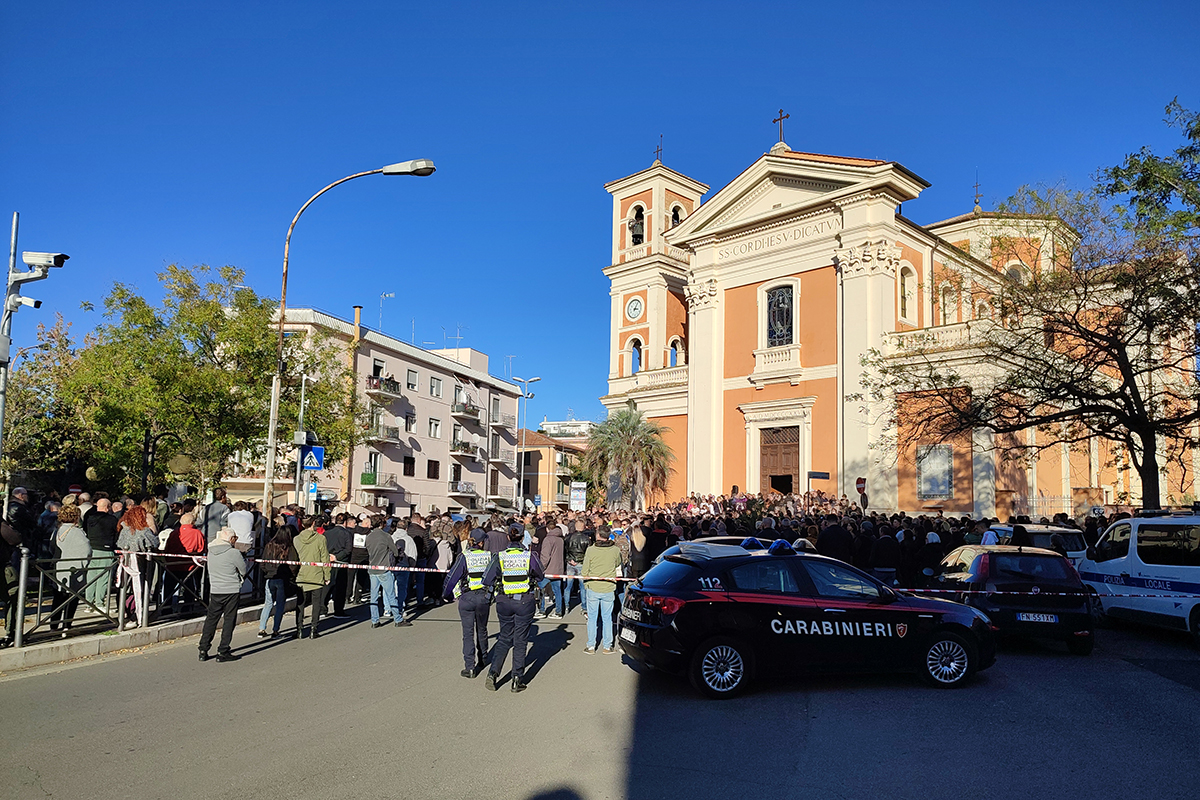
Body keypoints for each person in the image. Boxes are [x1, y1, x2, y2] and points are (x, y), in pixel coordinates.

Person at [482, 525, 544, 693]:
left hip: (504, 601)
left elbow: (486, 579)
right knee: (520, 640)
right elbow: (540, 575)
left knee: (504, 638)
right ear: (523, 538)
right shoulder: (529, 556)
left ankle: (493, 673)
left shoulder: (499, 557)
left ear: (508, 537)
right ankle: (517, 679)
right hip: (524, 600)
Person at [443, 527, 494, 677]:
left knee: (467, 633)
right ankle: (483, 658)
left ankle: (469, 666)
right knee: (482, 629)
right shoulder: (489, 556)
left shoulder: (464, 556)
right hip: (483, 597)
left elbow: (452, 577)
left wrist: (446, 595)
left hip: (467, 597)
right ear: (482, 542)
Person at [198, 528, 245, 662]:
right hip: (231, 589)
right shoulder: (233, 553)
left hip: (216, 589)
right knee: (229, 620)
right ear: (231, 539)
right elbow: (243, 569)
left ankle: (203, 648)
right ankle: (223, 650)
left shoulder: (211, 551)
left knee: (211, 619)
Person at [580, 525, 622, 654]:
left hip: (593, 587)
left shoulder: (591, 550)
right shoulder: (615, 550)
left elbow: (584, 570)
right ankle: (607, 646)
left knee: (592, 618)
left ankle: (591, 646)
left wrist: (586, 582)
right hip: (608, 587)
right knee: (607, 617)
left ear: (598, 535)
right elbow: (618, 563)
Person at [50, 504, 90, 635]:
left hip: (59, 568)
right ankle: (67, 625)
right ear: (76, 517)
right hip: (75, 569)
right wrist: (84, 564)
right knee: (72, 598)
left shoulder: (57, 531)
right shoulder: (78, 532)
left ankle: (53, 625)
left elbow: (51, 547)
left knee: (58, 597)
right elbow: (87, 550)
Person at [294, 516, 331, 639]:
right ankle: (313, 629)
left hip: (301, 574)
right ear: (314, 523)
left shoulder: (296, 539)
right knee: (316, 603)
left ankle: (299, 629)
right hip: (317, 574)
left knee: (300, 603)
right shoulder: (321, 539)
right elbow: (324, 558)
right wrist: (327, 575)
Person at [258, 528, 298, 639]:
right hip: (283, 579)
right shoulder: (289, 547)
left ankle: (262, 628)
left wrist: (267, 572)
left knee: (268, 604)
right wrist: (292, 576)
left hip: (270, 578)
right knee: (280, 605)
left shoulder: (269, 546)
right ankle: (275, 630)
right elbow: (293, 565)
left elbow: (263, 563)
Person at [365, 516, 404, 628]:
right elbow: (395, 552)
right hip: (384, 569)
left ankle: (375, 621)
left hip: (372, 569)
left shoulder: (368, 537)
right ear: (382, 524)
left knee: (374, 597)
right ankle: (398, 619)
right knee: (390, 595)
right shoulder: (386, 536)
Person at [83, 498, 119, 608]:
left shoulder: (89, 518)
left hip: (91, 549)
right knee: (103, 578)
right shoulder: (112, 520)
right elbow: (116, 534)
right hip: (106, 549)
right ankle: (99, 602)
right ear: (108, 507)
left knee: (91, 577)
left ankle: (89, 603)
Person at [322, 513, 352, 618]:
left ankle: (322, 609)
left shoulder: (327, 533)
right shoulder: (347, 534)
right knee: (340, 587)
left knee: (327, 584)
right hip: (341, 563)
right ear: (345, 522)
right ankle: (338, 610)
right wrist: (337, 557)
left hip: (328, 561)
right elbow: (348, 549)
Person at [535, 522, 564, 619]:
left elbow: (545, 556)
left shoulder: (548, 539)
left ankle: (542, 610)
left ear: (547, 529)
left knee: (541, 589)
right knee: (557, 591)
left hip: (547, 570)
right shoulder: (560, 539)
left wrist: (541, 567)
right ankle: (559, 611)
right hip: (558, 569)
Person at [563, 519, 592, 614]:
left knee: (568, 585)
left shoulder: (568, 538)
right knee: (583, 586)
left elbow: (565, 550)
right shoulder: (586, 539)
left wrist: (569, 559)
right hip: (581, 563)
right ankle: (584, 607)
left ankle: (566, 605)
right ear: (583, 527)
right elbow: (588, 554)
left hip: (570, 563)